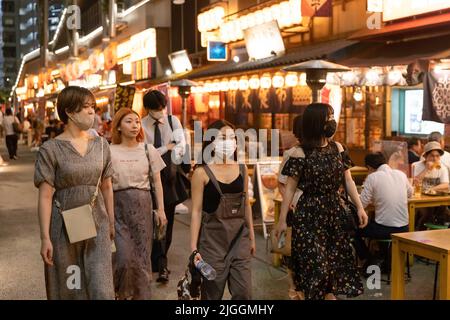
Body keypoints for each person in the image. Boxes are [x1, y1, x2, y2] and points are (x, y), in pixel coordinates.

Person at [275, 103, 368, 300]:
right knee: (317, 269)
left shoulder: (338, 149)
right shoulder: (299, 153)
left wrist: (360, 207)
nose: (332, 122)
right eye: (328, 117)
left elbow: (348, 181)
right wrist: (282, 220)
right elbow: (289, 188)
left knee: (332, 271)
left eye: (332, 116)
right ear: (316, 122)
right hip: (308, 215)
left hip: (334, 215)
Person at [34, 86, 115, 299]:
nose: (92, 112)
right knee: (71, 288)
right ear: (70, 112)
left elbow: (107, 186)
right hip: (62, 227)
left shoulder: (101, 145)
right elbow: (45, 196)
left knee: (102, 288)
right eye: (86, 107)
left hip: (98, 224)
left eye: (93, 107)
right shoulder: (50, 149)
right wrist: (44, 238)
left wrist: (112, 222)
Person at [190, 120, 255, 300]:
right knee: (212, 294)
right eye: (223, 137)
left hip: (239, 241)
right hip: (212, 244)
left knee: (244, 293)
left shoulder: (242, 169)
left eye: (232, 138)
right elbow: (195, 212)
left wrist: (251, 237)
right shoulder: (201, 173)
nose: (229, 142)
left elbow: (246, 204)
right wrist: (194, 248)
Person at [110, 108, 167, 300]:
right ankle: (121, 294)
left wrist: (161, 209)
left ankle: (142, 296)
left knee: (142, 259)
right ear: (118, 126)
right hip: (118, 208)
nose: (135, 125)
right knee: (123, 258)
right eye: (128, 121)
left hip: (143, 207)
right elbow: (105, 186)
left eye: (137, 121)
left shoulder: (147, 149)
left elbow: (157, 181)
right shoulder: (109, 151)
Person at [141, 90, 189, 283]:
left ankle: (162, 262)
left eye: (162, 108)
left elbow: (181, 147)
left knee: (166, 220)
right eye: (156, 109)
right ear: (147, 109)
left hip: (169, 179)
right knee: (150, 220)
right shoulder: (142, 125)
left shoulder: (173, 121)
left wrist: (162, 150)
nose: (160, 112)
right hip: (149, 178)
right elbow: (145, 152)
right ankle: (153, 258)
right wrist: (165, 148)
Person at [354, 153, 412, 266]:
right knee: (377, 222)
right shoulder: (401, 174)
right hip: (404, 227)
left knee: (353, 230)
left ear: (369, 167)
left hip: (384, 230)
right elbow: (410, 193)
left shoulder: (372, 177)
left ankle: (368, 259)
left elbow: (362, 204)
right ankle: (383, 258)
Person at [278, 115, 303, 300]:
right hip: (295, 208)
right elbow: (281, 182)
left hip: (314, 211)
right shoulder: (291, 154)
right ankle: (293, 286)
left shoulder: (323, 151)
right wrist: (290, 202)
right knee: (292, 249)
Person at [412, 141, 450, 228]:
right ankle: (418, 231)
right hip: (419, 199)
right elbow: (415, 182)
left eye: (437, 156)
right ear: (425, 156)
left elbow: (445, 184)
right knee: (427, 214)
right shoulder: (416, 165)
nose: (435, 158)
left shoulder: (442, 167)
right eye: (432, 155)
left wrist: (432, 189)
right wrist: (426, 169)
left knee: (445, 212)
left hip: (436, 199)